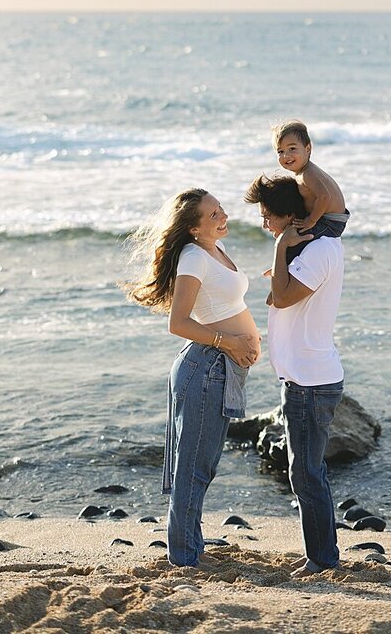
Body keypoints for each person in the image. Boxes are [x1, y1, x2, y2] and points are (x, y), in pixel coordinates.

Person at [126, 188, 261, 567]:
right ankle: (184, 557)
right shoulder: (192, 256)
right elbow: (178, 323)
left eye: (220, 209)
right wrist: (230, 341)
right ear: (193, 227)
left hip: (218, 367)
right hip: (205, 367)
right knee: (193, 465)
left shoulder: (213, 250)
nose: (223, 216)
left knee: (203, 464)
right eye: (213, 214)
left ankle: (190, 546)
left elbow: (225, 303)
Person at [244, 174, 345, 577]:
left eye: (269, 217)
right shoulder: (309, 249)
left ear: (290, 217)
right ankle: (322, 554)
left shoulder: (319, 250)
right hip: (303, 379)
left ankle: (322, 559)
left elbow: (283, 297)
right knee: (305, 472)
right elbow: (280, 296)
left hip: (311, 382)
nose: (264, 223)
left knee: (306, 474)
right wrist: (284, 251)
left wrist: (280, 246)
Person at [273, 119, 349, 262]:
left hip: (330, 222)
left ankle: (285, 269)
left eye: (292, 149)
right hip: (329, 218)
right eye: (280, 151)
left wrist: (311, 221)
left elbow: (324, 197)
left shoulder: (308, 174)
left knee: (296, 241)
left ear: (308, 149)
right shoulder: (304, 172)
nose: (286, 156)